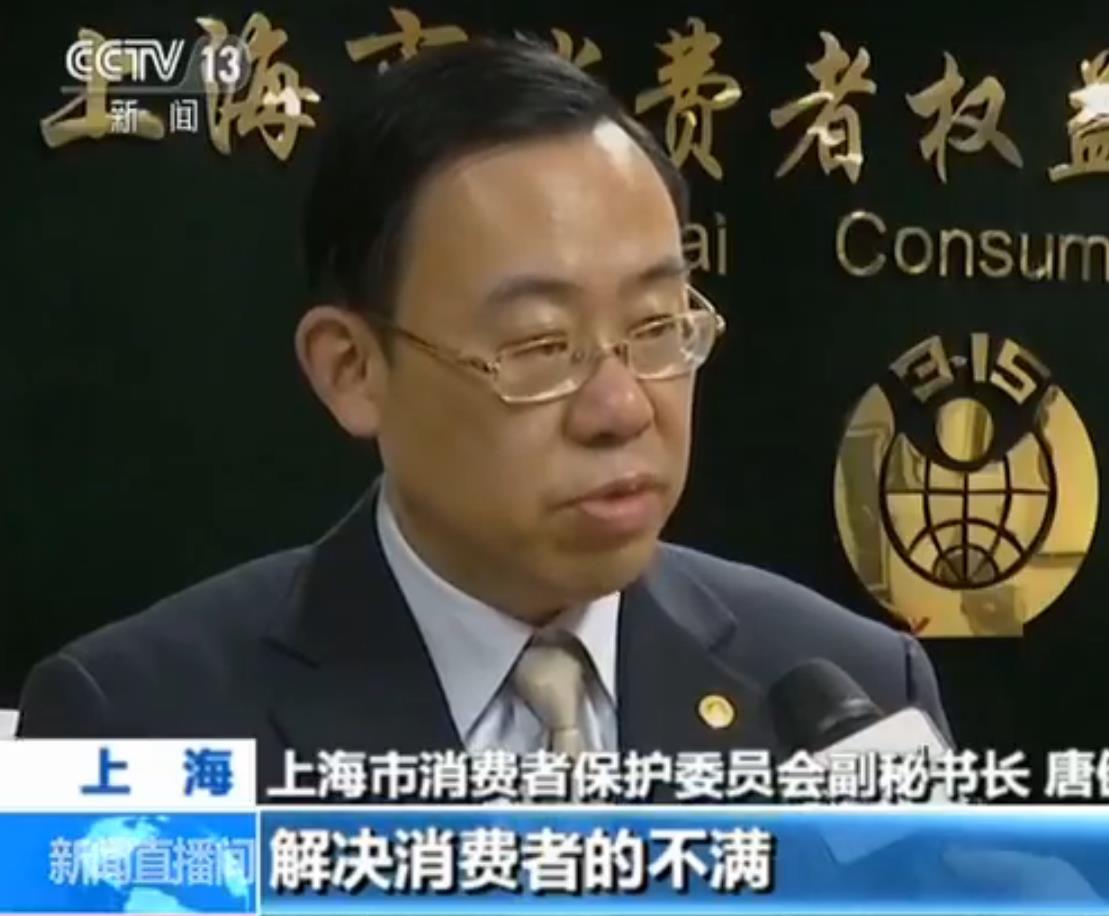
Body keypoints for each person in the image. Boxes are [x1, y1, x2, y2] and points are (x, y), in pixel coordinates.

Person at [17, 37, 950, 796]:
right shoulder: (137, 726)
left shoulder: (853, 691)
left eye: (657, 326)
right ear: (351, 370)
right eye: (539, 345)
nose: (622, 407)